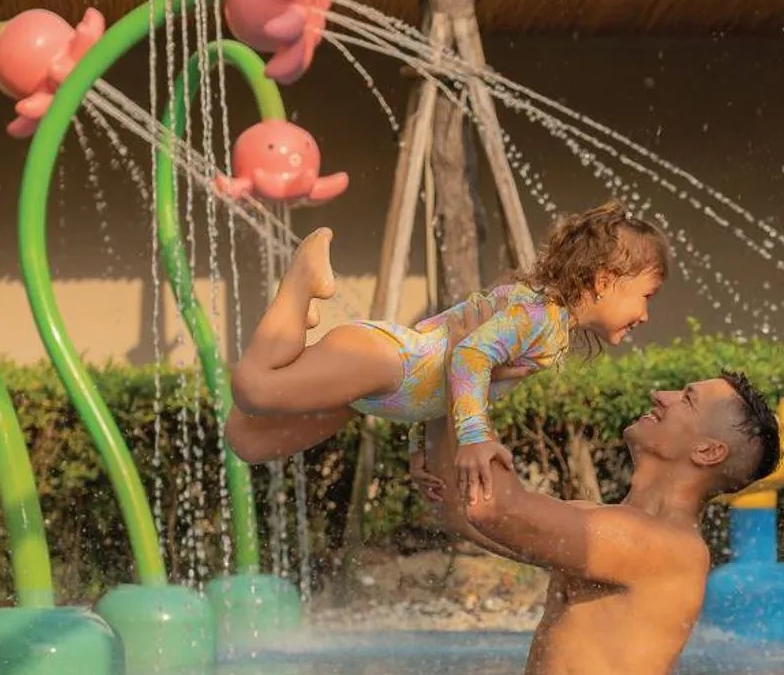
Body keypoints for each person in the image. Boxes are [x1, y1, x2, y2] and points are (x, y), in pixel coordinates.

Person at [325, 371, 783, 675]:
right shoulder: (603, 523)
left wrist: (467, 366)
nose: (660, 395)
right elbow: (470, 514)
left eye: (686, 399)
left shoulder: (668, 546)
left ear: (708, 451)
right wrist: (441, 425)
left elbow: (498, 509)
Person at [225, 202, 670, 503]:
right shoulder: (541, 317)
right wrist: (477, 437)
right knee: (253, 388)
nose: (647, 315)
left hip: (381, 390)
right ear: (604, 280)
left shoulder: (549, 326)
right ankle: (303, 280)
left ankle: (294, 332)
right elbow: (469, 356)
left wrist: (419, 450)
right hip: (385, 361)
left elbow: (447, 383)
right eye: (648, 295)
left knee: (247, 440)